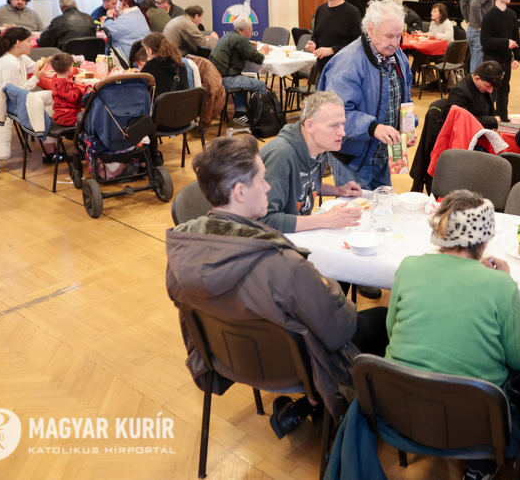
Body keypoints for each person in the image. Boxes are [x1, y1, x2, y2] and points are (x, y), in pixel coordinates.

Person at [165, 134, 389, 439]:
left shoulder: (181, 253)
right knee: (383, 319)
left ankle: (314, 405)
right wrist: (331, 285)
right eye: (262, 179)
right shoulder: (283, 265)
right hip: (296, 368)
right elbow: (340, 330)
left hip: (227, 356)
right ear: (240, 192)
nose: (269, 187)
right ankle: (352, 412)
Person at [386, 189, 520, 480]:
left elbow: (391, 329)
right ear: (484, 240)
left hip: (403, 411)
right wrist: (504, 282)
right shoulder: (499, 285)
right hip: (473, 424)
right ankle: (484, 463)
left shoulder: (408, 267)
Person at [319, 0, 413, 190]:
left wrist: (410, 123)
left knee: (383, 211)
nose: (395, 43)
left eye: (398, 36)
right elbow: (336, 114)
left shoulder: (398, 56)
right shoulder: (349, 62)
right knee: (356, 215)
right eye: (389, 36)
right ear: (370, 30)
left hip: (382, 155)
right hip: (353, 159)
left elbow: (404, 99)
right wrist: (373, 127)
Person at [260, 91, 364, 233]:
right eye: (334, 125)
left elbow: (304, 184)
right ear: (310, 126)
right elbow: (264, 220)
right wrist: (325, 219)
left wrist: (338, 190)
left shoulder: (318, 146)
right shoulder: (281, 155)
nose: (343, 133)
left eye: (342, 124)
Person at [209, 17, 271, 127]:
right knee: (260, 85)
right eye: (251, 30)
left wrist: (250, 47)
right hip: (226, 79)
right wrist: (263, 52)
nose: (251, 32)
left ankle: (240, 113)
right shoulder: (241, 40)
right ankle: (258, 118)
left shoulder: (229, 36)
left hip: (215, 77)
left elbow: (241, 50)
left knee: (244, 80)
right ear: (247, 29)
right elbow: (258, 59)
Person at [305, 0, 363, 76]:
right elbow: (316, 35)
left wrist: (332, 50)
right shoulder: (320, 10)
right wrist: (313, 43)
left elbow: (358, 44)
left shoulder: (352, 12)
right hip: (322, 69)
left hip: (342, 70)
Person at [480, 0, 520, 122]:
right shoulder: (489, 16)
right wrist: (505, 42)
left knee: (504, 91)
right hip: (491, 61)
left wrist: (517, 58)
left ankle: (504, 119)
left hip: (505, 60)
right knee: (491, 92)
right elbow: (485, 41)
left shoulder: (511, 15)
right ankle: (489, 120)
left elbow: (516, 37)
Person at [459, 0, 500, 74]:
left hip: (471, 30)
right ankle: (473, 92)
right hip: (478, 32)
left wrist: (468, 19)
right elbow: (474, 5)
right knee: (477, 70)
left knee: (474, 66)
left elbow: (463, 2)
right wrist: (481, 24)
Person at [35, 52, 86, 128]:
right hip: (68, 117)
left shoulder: (56, 78)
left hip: (60, 115)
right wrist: (77, 84)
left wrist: (75, 70)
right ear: (69, 69)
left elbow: (66, 73)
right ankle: (79, 137)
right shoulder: (64, 84)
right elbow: (73, 98)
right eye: (72, 65)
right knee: (89, 118)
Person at [0, 27, 37, 97]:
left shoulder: (19, 56)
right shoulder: (10, 63)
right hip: (2, 104)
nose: (32, 45)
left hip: (13, 99)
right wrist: (35, 78)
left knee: (51, 96)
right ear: (18, 43)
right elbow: (14, 94)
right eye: (29, 41)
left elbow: (33, 67)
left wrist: (48, 62)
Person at [448, 61, 502, 130]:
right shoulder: (459, 92)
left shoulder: (482, 86)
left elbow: (489, 108)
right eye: (488, 86)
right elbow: (461, 120)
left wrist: (497, 117)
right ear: (477, 78)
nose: (490, 91)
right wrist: (492, 121)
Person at [139, 33, 191, 99]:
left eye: (146, 49)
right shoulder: (180, 64)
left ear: (150, 50)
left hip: (160, 108)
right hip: (180, 107)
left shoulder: (151, 65)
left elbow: (139, 88)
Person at [104, 0, 150, 64]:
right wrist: (119, 16)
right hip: (142, 54)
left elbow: (109, 31)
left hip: (127, 56)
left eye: (119, 5)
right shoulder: (139, 14)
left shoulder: (125, 19)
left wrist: (109, 18)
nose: (117, 7)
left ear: (126, 6)